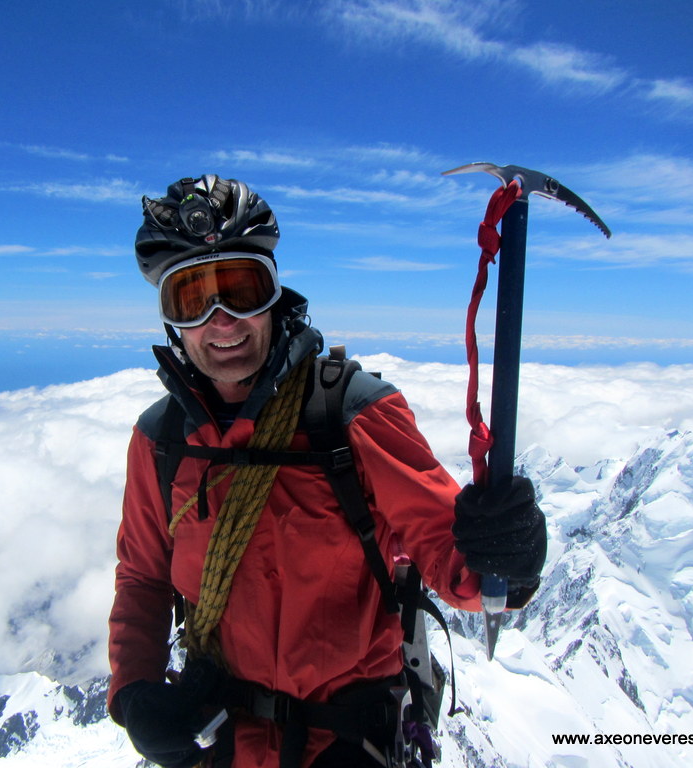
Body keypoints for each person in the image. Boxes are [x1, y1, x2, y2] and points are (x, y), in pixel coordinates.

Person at [107, 175, 546, 768]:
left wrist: (502, 557)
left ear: (274, 293)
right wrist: (134, 691)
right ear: (173, 322)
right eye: (193, 300)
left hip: (344, 744)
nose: (223, 320)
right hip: (220, 741)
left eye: (241, 288)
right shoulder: (160, 442)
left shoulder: (354, 416)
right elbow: (143, 578)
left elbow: (451, 562)